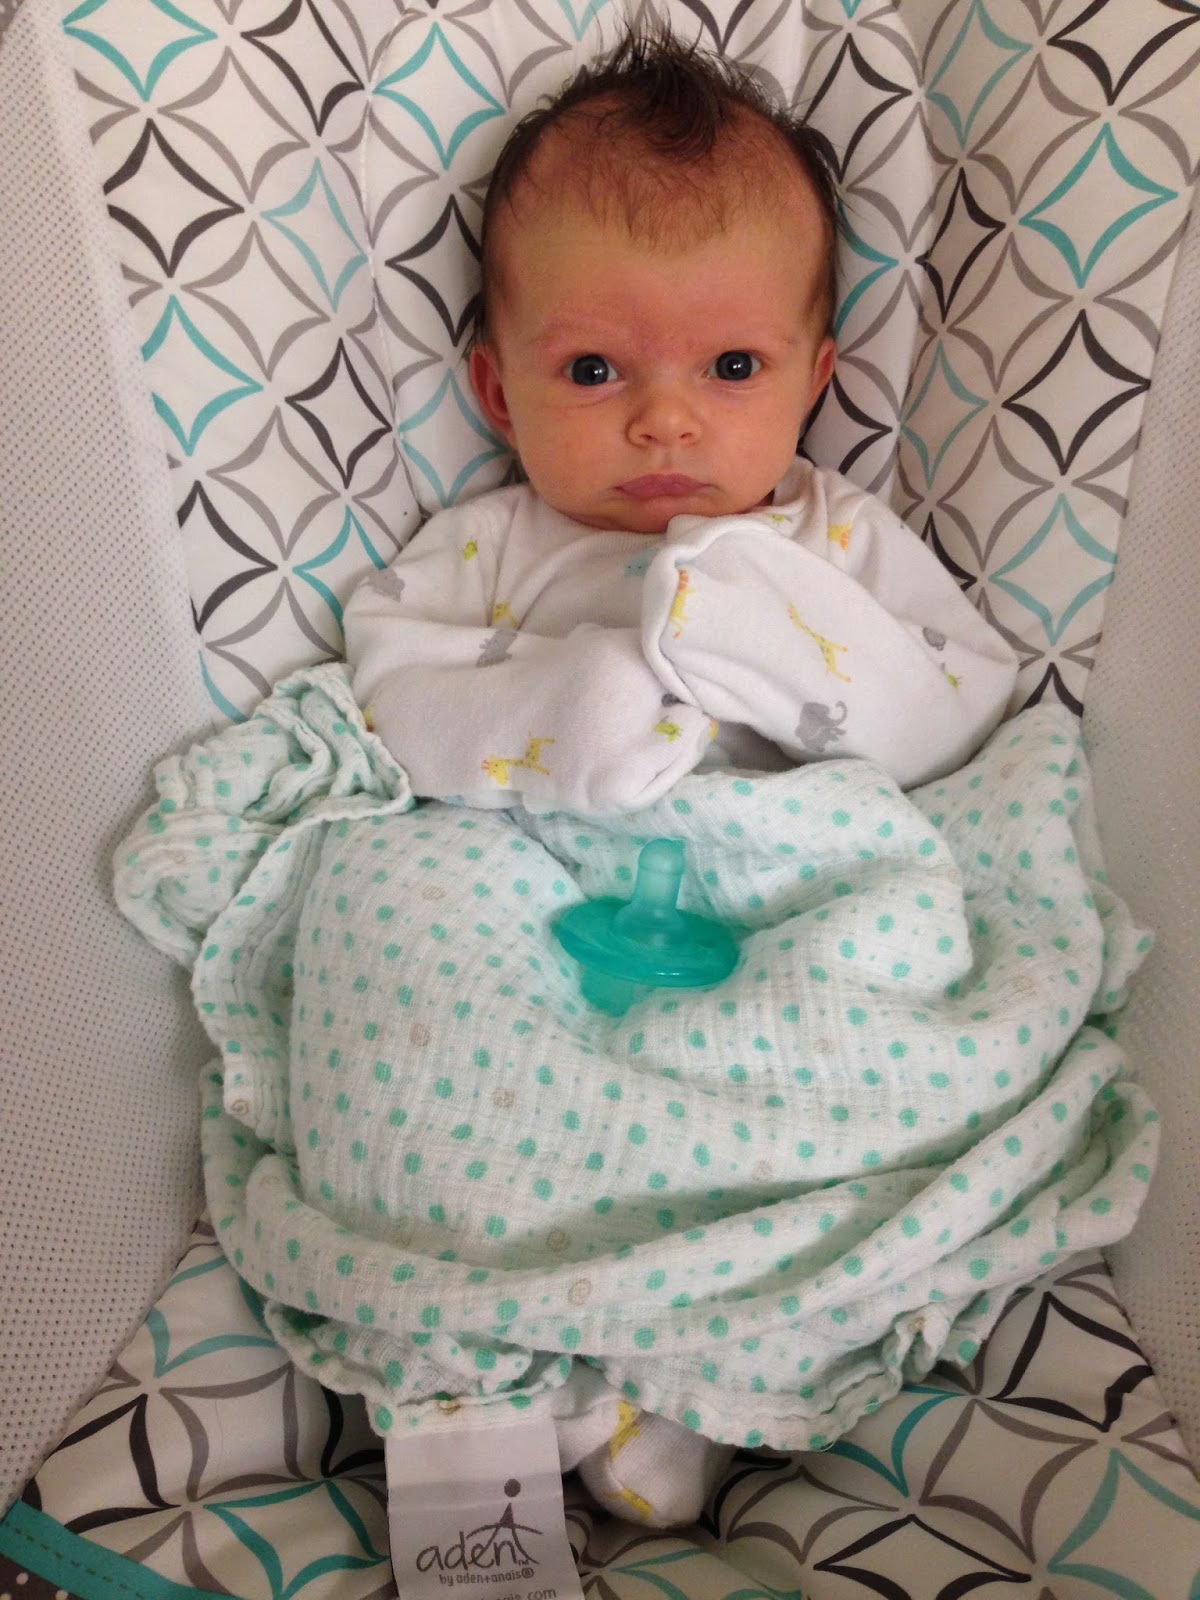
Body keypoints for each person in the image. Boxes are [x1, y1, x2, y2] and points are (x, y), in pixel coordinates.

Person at [343, 28, 1018, 1526]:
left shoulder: (834, 540)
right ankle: (499, 1365)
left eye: (731, 367)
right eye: (593, 369)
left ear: (815, 377)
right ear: (498, 387)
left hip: (785, 903)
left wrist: (783, 652)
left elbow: (963, 714)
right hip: (536, 912)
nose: (664, 417)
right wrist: (565, 716)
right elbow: (391, 699)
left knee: (894, 992)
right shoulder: (494, 547)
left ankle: (717, 1357)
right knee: (390, 939)